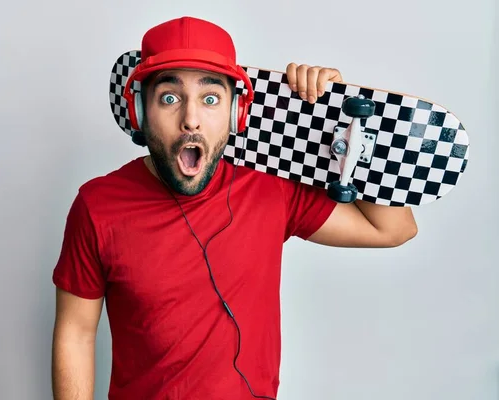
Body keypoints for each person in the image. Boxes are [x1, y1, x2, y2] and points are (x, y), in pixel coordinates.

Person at [51, 16, 418, 400]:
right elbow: (76, 334)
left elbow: (394, 228)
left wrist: (342, 125)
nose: (190, 119)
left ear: (235, 115)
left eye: (210, 99)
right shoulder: (98, 206)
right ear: (140, 113)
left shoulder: (270, 188)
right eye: (169, 98)